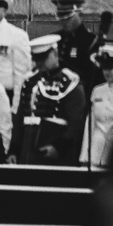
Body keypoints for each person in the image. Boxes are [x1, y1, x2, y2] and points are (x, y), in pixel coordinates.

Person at [15, 34, 87, 163]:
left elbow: (77, 122)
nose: (39, 63)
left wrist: (59, 147)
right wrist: (14, 149)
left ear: (55, 53)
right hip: (27, 145)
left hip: (54, 145)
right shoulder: (30, 81)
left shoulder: (69, 81)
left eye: (43, 58)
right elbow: (20, 117)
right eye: (36, 59)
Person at [52, 0, 109, 94]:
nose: (64, 22)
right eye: (62, 18)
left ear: (80, 15)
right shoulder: (55, 38)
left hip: (80, 95)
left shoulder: (90, 42)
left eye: (68, 18)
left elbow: (94, 78)